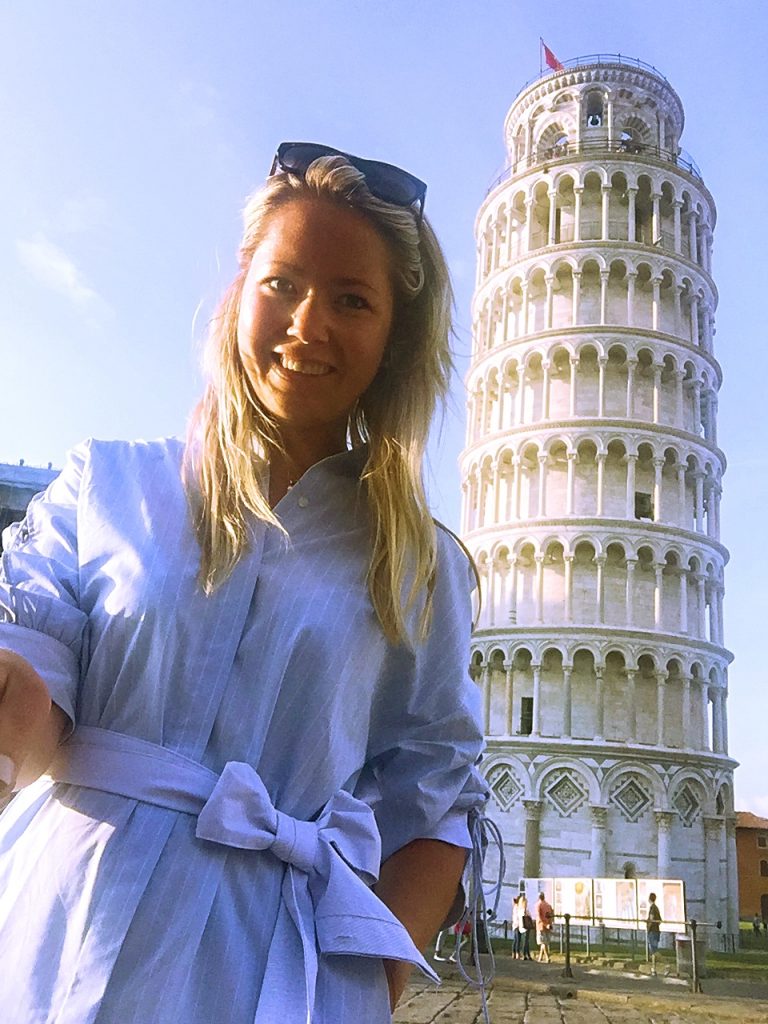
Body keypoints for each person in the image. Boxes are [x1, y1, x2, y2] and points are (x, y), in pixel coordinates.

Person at [0, 143, 487, 1023]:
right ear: (237, 295)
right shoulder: (107, 484)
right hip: (55, 927)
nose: (308, 324)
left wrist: (369, 989)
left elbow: (439, 801)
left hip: (270, 975)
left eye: (352, 300)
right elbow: (29, 691)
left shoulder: (420, 567)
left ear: (393, 340)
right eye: (282, 284)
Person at [534, 890, 554, 963]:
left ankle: (547, 957)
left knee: (543, 942)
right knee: (545, 942)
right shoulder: (548, 905)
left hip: (541, 925)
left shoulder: (538, 905)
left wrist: (545, 924)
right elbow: (551, 915)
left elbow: (539, 916)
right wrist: (549, 924)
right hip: (548, 925)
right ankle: (540, 957)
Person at [646, 891, 663, 974]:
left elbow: (651, 919)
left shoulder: (652, 908)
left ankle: (666, 964)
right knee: (654, 950)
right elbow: (659, 921)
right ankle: (654, 968)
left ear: (649, 899)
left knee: (654, 951)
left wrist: (648, 927)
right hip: (656, 931)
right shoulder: (656, 908)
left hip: (652, 932)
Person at [517, 891, 533, 959]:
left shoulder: (519, 910)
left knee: (526, 941)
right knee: (526, 942)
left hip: (522, 926)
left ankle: (527, 954)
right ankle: (524, 954)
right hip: (526, 926)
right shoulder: (524, 910)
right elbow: (528, 916)